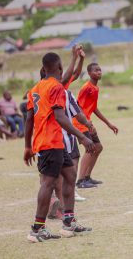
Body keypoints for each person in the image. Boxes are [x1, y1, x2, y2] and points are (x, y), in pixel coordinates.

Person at [24, 52, 94, 243]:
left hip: (54, 143)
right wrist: (82, 137)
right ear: (59, 67)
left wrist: (27, 146)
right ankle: (37, 229)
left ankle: (69, 221)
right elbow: (61, 117)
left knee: (70, 175)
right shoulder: (55, 87)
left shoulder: (35, 89)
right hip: (50, 142)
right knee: (48, 183)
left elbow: (29, 119)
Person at [73, 63, 118, 189]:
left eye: (100, 70)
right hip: (80, 123)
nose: (99, 72)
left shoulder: (95, 88)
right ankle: (80, 181)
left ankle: (87, 177)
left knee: (98, 147)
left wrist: (108, 123)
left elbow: (94, 108)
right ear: (89, 73)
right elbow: (78, 108)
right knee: (90, 148)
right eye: (96, 70)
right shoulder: (86, 87)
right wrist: (86, 123)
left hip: (87, 123)